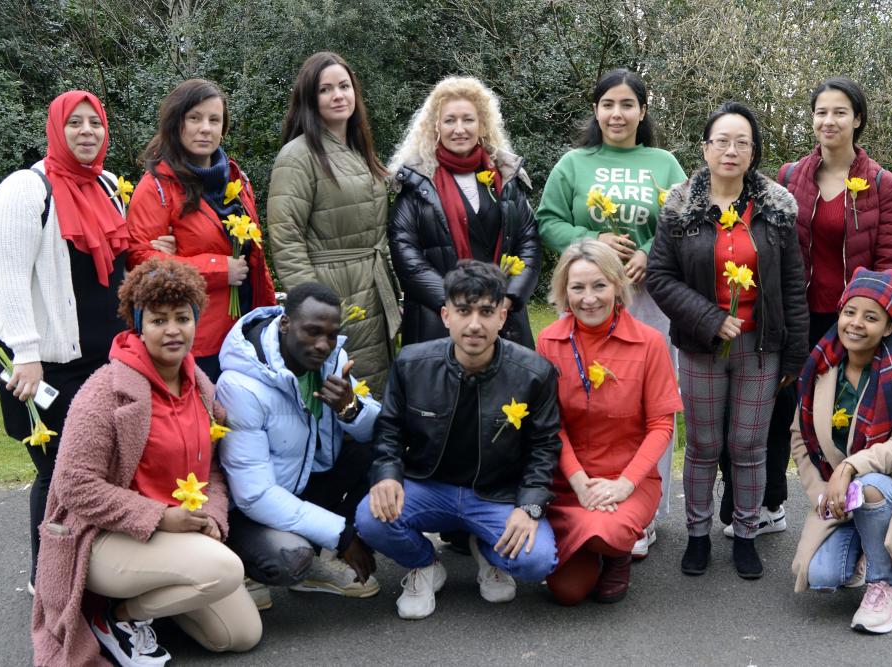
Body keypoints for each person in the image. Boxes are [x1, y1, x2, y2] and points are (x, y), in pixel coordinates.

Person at [31, 259, 261, 666]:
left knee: (240, 634)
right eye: (158, 320)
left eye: (182, 318)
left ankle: (150, 606)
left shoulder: (201, 387)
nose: (173, 330)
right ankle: (115, 618)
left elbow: (212, 472)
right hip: (103, 539)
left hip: (172, 538)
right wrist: (158, 517)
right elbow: (73, 484)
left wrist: (211, 515)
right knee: (225, 569)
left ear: (195, 321)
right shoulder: (106, 389)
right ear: (139, 325)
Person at [719, 76, 892, 541]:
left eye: (840, 112)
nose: (829, 121)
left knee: (842, 419)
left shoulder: (882, 185)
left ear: (858, 120)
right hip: (791, 317)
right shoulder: (789, 177)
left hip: (850, 325)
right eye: (821, 112)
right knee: (772, 410)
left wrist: (869, 317)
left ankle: (854, 511)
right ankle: (767, 506)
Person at [0, 90, 161, 592]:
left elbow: (118, 260)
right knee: (59, 474)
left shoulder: (106, 184)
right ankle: (50, 580)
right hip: (45, 366)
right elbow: (11, 280)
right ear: (55, 129)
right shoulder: (25, 190)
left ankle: (89, 571)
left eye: (95, 124)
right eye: (75, 123)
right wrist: (26, 355)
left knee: (99, 472)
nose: (87, 132)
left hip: (103, 361)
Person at [647, 101, 809, 579]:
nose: (731, 150)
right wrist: (710, 317)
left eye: (742, 142)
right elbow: (660, 276)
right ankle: (698, 535)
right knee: (701, 443)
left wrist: (794, 356)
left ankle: (746, 533)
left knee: (748, 445)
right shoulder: (680, 208)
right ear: (705, 148)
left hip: (762, 348)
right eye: (722, 140)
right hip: (701, 345)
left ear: (754, 151)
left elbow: (793, 285)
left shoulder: (777, 210)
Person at [536, 69, 687, 557]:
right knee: (588, 398)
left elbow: (684, 220)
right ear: (596, 110)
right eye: (607, 104)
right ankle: (589, 491)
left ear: (643, 112)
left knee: (651, 402)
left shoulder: (663, 163)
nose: (617, 114)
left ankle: (642, 510)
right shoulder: (574, 164)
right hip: (591, 296)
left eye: (627, 105)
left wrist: (650, 250)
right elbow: (547, 221)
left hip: (649, 296)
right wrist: (591, 241)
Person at [355, 261, 560, 620]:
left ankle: (487, 548)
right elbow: (389, 428)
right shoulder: (412, 363)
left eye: (486, 311)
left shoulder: (534, 373)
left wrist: (529, 507)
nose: (475, 325)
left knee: (537, 561)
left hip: (496, 493)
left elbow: (544, 447)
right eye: (464, 311)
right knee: (369, 518)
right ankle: (425, 564)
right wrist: (387, 474)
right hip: (429, 485)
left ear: (502, 315)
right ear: (446, 314)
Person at [216, 282, 382, 607]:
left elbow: (379, 432)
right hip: (251, 509)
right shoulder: (242, 385)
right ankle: (246, 569)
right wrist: (342, 535)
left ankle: (317, 558)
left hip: (304, 483)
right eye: (312, 332)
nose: (323, 345)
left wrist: (351, 409)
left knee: (383, 452)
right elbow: (254, 494)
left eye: (331, 335)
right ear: (285, 323)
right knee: (289, 560)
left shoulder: (334, 361)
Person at [537, 239, 683, 605]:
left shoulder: (649, 343)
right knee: (567, 592)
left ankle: (616, 554)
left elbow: (662, 425)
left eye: (599, 285)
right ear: (563, 291)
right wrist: (578, 481)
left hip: (626, 482)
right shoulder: (547, 342)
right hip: (570, 483)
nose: (589, 298)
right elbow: (550, 425)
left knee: (607, 530)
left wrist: (623, 485)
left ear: (618, 286)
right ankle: (588, 543)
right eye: (578, 287)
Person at [791, 267, 892, 634]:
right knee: (822, 576)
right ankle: (866, 545)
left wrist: (849, 468)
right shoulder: (821, 368)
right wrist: (822, 492)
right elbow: (799, 437)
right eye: (849, 312)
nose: (855, 323)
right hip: (838, 494)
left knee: (871, 485)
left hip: (888, 485)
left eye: (871, 317)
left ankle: (885, 587)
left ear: (889, 326)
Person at [127, 78, 277, 382]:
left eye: (214, 119)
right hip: (197, 337)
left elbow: (255, 259)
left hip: (245, 330)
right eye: (194, 118)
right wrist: (219, 268)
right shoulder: (157, 186)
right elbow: (140, 260)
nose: (205, 128)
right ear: (176, 123)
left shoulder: (238, 180)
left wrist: (269, 313)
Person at [267, 51, 397, 395]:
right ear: (310, 99)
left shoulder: (358, 150)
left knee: (370, 392)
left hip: (372, 288)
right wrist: (313, 309)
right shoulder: (298, 155)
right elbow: (286, 237)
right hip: (332, 291)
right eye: (326, 90)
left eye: (344, 86)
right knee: (338, 387)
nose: (338, 95)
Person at [387, 76, 541, 349]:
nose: (459, 129)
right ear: (436, 126)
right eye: (450, 120)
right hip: (437, 321)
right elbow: (405, 254)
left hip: (501, 318)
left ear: (482, 124)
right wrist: (455, 305)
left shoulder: (507, 177)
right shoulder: (416, 181)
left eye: (468, 119)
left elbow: (528, 242)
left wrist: (506, 300)